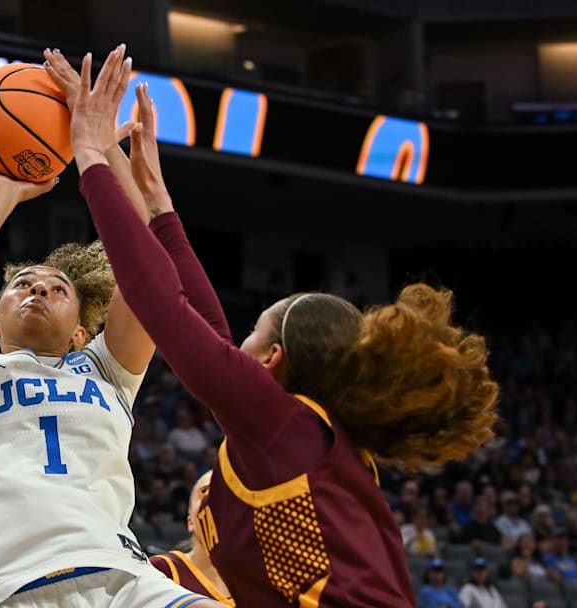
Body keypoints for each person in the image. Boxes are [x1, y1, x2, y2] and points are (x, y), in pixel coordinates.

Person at [48, 45, 499, 606]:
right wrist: (158, 203)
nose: (237, 342)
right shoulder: (295, 435)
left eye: (255, 331)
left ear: (273, 358)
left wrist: (90, 155)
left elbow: (158, 301)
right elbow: (193, 313)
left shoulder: (285, 427)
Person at [0, 44, 222, 608]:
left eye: (58, 290)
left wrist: (100, 145)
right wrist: (8, 186)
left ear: (82, 332)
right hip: (13, 585)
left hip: (125, 577)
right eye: (23, 285)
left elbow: (150, 273)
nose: (38, 290)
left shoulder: (107, 371)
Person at [149, 471, 233, 605]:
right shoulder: (162, 569)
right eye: (206, 491)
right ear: (190, 522)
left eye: (228, 493)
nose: (218, 500)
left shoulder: (259, 579)